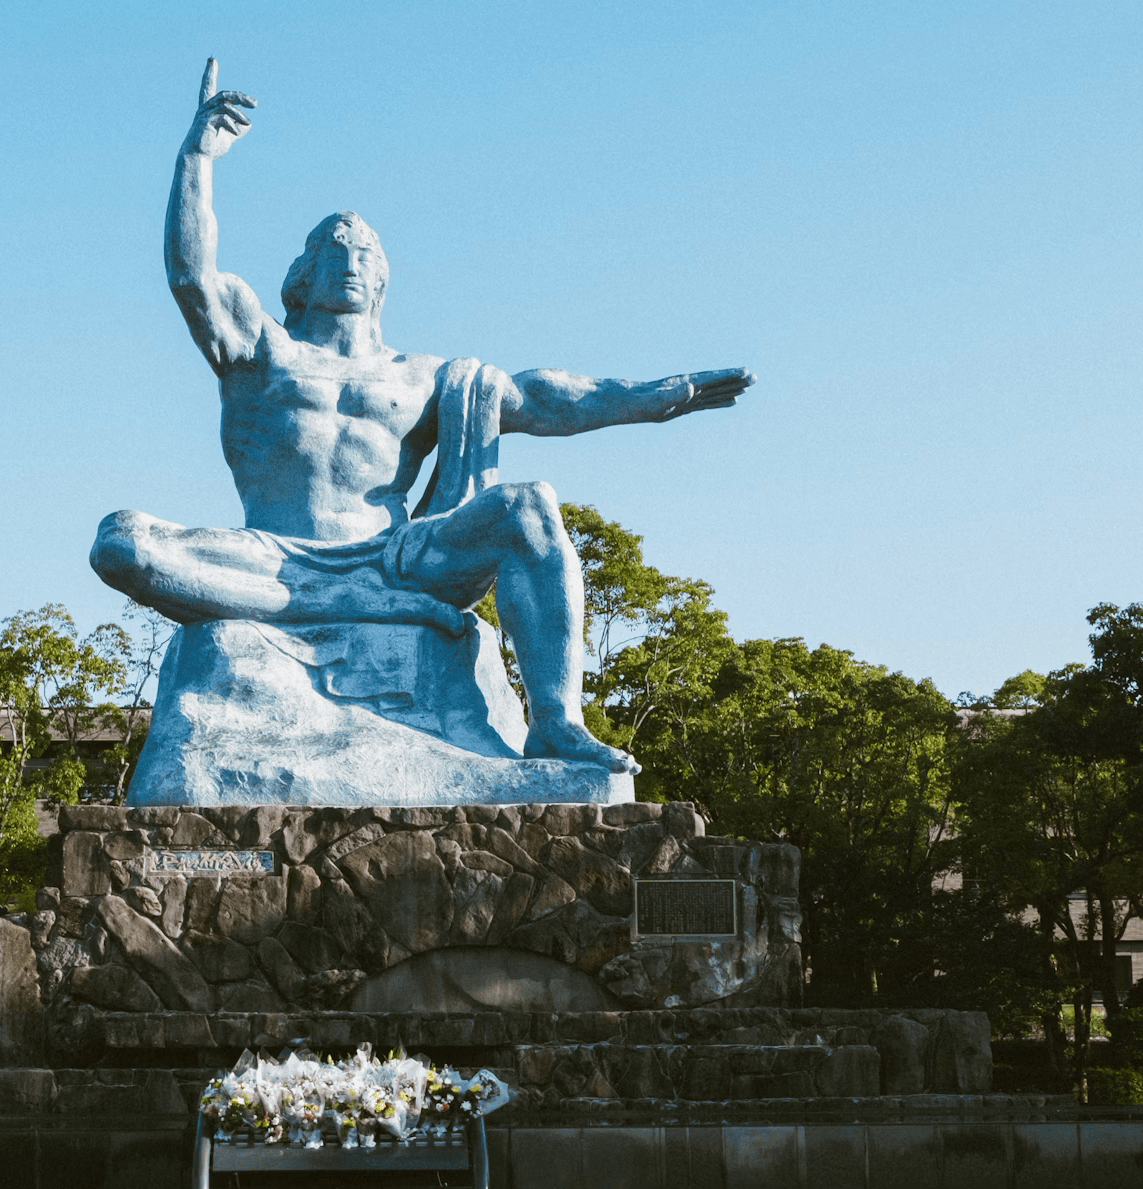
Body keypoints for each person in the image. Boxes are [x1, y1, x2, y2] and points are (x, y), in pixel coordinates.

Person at [89, 59, 752, 776]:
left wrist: (656, 397)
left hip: (397, 559)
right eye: (332, 249)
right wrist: (198, 157)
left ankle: (557, 722)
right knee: (121, 544)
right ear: (301, 276)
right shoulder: (260, 350)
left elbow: (550, 398)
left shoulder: (427, 378)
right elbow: (192, 275)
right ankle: (344, 600)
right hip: (270, 555)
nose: (350, 259)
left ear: (383, 279)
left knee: (530, 508)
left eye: (365, 252)